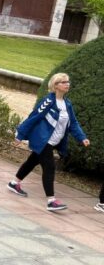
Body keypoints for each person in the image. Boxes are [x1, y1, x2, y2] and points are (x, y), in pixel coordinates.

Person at [10, 72, 90, 211]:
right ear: (55, 85)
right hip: (43, 140)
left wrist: (82, 137)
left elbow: (73, 123)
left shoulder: (67, 104)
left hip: (53, 141)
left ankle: (14, 183)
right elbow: (33, 117)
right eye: (64, 82)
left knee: (32, 161)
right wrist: (20, 135)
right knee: (49, 167)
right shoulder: (48, 101)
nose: (68, 84)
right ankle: (51, 201)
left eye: (68, 82)